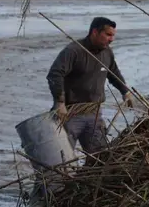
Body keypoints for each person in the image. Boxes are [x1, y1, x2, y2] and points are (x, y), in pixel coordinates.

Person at [46, 17, 134, 157]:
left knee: (99, 157)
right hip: (70, 114)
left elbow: (113, 73)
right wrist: (59, 102)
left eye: (113, 35)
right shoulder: (74, 50)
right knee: (62, 157)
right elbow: (55, 74)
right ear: (94, 32)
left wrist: (125, 91)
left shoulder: (107, 52)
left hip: (95, 115)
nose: (112, 39)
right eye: (108, 35)